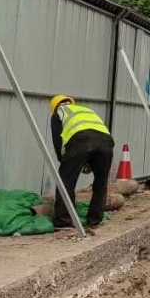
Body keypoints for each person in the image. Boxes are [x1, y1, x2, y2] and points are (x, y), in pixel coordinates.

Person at [49, 95, 115, 229]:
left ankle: (64, 220)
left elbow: (58, 140)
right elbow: (95, 135)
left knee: (65, 180)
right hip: (106, 143)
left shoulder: (59, 113)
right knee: (101, 181)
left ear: (55, 106)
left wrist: (63, 159)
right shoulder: (85, 110)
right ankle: (95, 219)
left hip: (81, 141)